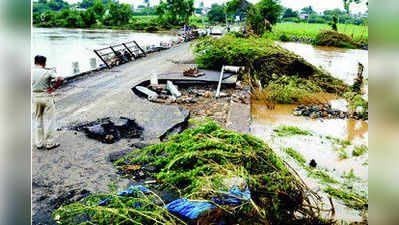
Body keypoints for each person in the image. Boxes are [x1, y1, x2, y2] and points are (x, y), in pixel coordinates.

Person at [32, 55, 63, 150]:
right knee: (49, 120)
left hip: (35, 97)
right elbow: (60, 79)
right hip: (46, 97)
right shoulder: (48, 71)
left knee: (37, 120)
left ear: (35, 62)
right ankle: (50, 143)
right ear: (44, 63)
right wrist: (54, 88)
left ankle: (39, 143)